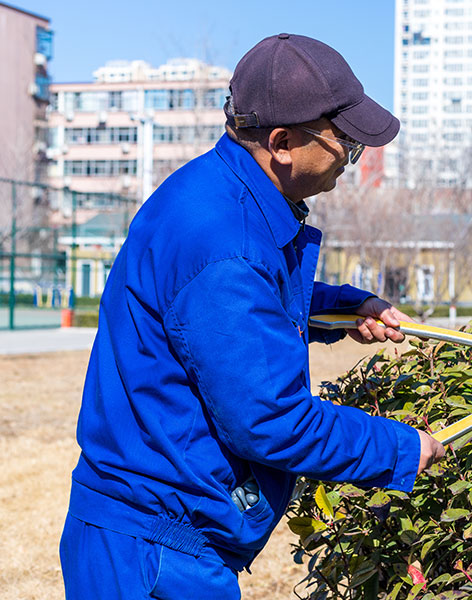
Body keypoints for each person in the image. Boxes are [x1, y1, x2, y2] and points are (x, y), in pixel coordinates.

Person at [59, 34, 445, 599]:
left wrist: (340, 308)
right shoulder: (227, 243)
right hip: (152, 552)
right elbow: (271, 420)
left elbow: (222, 312)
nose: (350, 158)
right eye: (344, 143)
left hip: (153, 534)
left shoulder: (218, 191)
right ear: (282, 143)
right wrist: (400, 449)